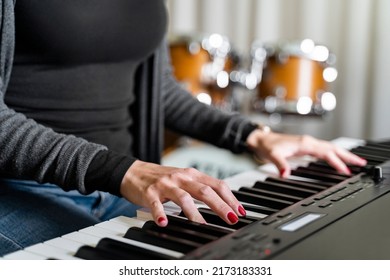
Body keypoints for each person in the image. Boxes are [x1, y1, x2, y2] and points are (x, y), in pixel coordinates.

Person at [0, 0, 366, 256]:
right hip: (23, 190)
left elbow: (159, 89)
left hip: (126, 191)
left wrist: (253, 136)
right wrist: (122, 171)